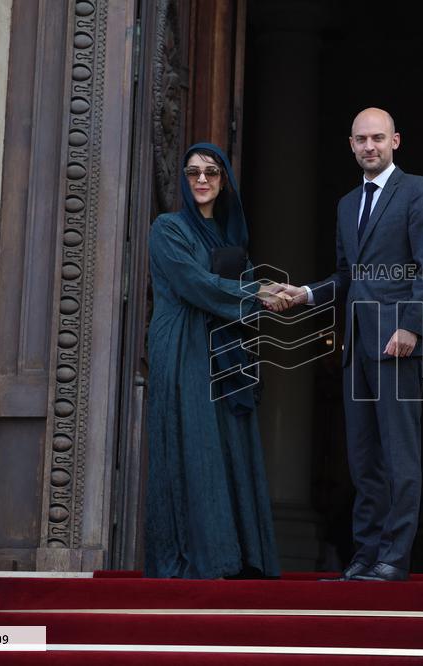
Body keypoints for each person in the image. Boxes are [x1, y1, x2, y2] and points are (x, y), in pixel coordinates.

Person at [264, 108, 423, 581]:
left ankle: (394, 557)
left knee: (399, 453)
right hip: (355, 346)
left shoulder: (417, 191)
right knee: (363, 456)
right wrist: (304, 294)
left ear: (396, 141)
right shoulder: (347, 204)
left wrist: (412, 326)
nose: (370, 146)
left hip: (399, 343)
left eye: (378, 138)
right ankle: (366, 553)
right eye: (362, 139)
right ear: (350, 144)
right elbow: (347, 277)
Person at [144, 142, 285, 579]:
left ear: (224, 181)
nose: (201, 180)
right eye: (192, 173)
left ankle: (235, 557)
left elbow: (231, 288)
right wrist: (255, 292)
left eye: (211, 172)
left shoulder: (230, 239)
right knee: (192, 442)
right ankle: (195, 560)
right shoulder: (167, 229)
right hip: (182, 345)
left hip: (225, 351)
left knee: (227, 443)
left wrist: (261, 295)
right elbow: (192, 282)